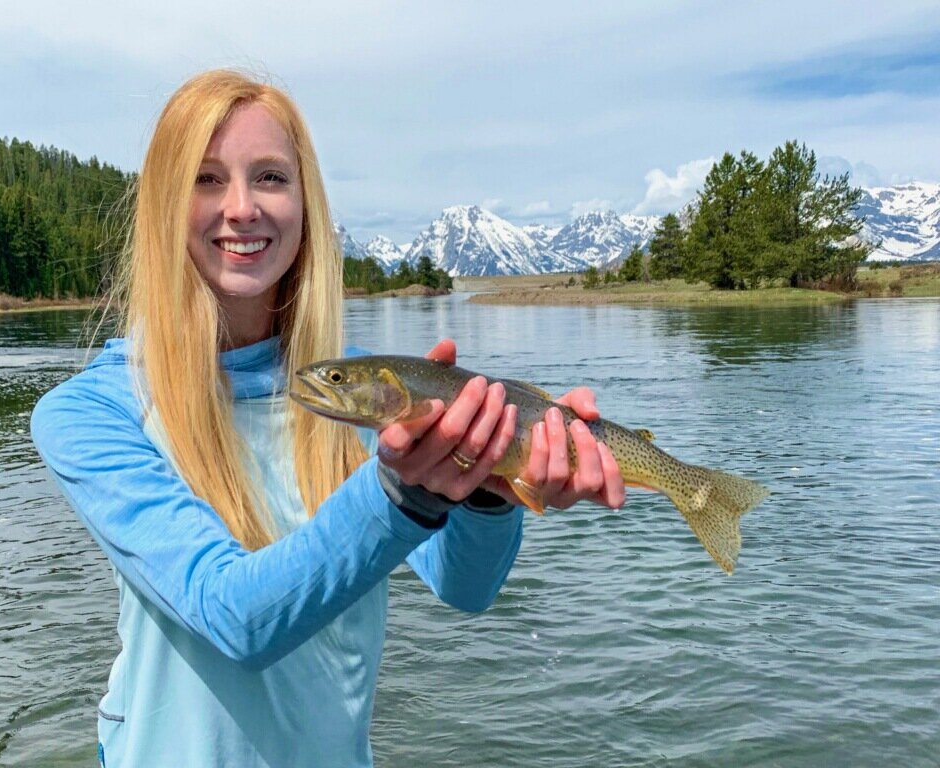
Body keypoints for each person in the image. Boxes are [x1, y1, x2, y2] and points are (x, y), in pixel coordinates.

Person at [31, 69, 625, 768]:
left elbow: (466, 588)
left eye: (272, 178)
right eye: (207, 178)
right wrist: (405, 493)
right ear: (164, 205)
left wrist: (488, 489)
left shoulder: (364, 394)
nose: (242, 208)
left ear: (307, 205)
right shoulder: (91, 414)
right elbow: (232, 616)